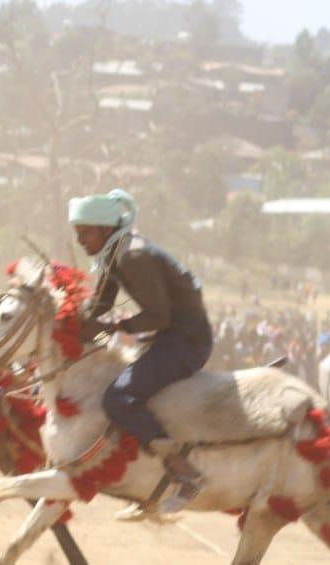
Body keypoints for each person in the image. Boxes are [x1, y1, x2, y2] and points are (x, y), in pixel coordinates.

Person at [70, 188, 212, 513]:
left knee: (117, 398)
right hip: (169, 337)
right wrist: (69, 317)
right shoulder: (114, 252)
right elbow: (102, 303)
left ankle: (186, 475)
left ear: (105, 229)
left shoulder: (133, 256)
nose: (80, 241)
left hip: (186, 342)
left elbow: (158, 316)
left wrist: (111, 328)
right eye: (77, 235)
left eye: (84, 233)